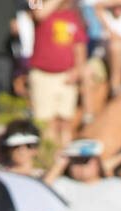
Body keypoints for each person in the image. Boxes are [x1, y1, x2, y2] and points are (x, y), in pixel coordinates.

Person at [27, 0, 88, 148]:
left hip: (66, 76)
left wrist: (78, 69)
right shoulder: (38, 6)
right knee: (45, 122)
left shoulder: (73, 16)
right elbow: (38, 13)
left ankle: (65, 160)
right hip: (42, 74)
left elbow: (80, 45)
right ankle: (49, 158)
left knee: (65, 121)